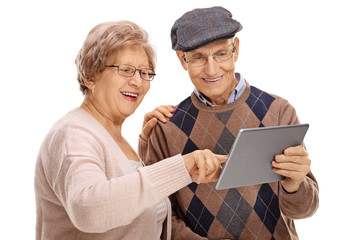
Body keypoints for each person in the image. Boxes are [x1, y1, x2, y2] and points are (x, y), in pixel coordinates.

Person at [34, 20, 226, 240]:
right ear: (90, 76)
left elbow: (144, 225)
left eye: (145, 73)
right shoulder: (73, 133)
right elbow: (90, 209)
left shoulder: (118, 141)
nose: (138, 81)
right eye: (125, 70)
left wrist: (148, 146)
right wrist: (184, 167)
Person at [141, 6, 319, 240]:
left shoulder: (278, 111)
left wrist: (294, 183)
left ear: (236, 50)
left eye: (221, 54)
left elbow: (305, 209)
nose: (212, 68)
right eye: (198, 57)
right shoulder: (165, 128)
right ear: (182, 60)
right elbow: (159, 217)